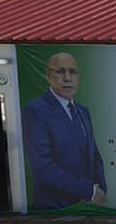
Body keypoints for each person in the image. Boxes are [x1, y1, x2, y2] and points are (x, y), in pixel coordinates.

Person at [21, 51, 107, 210]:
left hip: (88, 205)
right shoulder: (35, 110)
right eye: (60, 71)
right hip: (56, 208)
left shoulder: (83, 111)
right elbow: (43, 168)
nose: (67, 78)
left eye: (73, 72)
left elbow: (94, 154)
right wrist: (89, 191)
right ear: (48, 75)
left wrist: (100, 190)